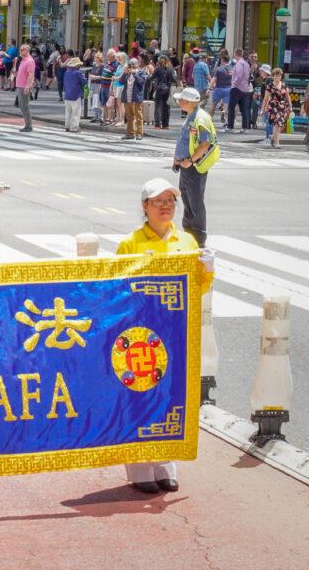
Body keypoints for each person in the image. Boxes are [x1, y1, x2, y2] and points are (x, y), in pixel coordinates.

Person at [116, 178, 214, 495]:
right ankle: (140, 466)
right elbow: (117, 288)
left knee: (172, 397)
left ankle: (166, 463)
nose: (165, 206)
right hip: (140, 333)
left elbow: (200, 287)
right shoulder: (130, 243)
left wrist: (208, 269)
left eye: (170, 201)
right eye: (158, 201)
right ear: (145, 207)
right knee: (141, 396)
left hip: (175, 332)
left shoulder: (186, 242)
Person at [172, 87, 219, 247]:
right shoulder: (192, 116)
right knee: (187, 199)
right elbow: (186, 140)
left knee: (195, 201)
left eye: (181, 100)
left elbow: (205, 143)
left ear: (189, 102)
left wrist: (191, 160)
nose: (179, 102)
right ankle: (189, 233)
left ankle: (198, 238)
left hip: (194, 167)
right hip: (186, 165)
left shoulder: (200, 118)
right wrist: (177, 158)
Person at [261, 66, 292, 149]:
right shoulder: (270, 86)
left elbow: (288, 97)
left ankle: (272, 137)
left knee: (282, 124)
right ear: (272, 76)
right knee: (277, 123)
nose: (277, 77)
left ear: (281, 76)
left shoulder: (284, 86)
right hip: (273, 106)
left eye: (279, 75)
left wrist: (290, 106)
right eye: (275, 75)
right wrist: (263, 109)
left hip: (282, 106)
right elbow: (266, 98)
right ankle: (277, 142)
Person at [121, 58, 147, 141]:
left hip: (136, 98)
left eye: (132, 65)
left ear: (137, 65)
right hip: (127, 98)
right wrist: (124, 73)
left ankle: (139, 133)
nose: (131, 67)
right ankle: (130, 133)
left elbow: (141, 82)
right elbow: (121, 82)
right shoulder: (127, 73)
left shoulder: (141, 72)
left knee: (138, 116)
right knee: (129, 117)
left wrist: (135, 74)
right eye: (130, 65)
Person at [227, 48, 252, 132]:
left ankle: (230, 127)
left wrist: (234, 84)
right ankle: (245, 127)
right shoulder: (246, 64)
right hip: (245, 89)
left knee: (231, 108)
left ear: (235, 54)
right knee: (244, 109)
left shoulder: (239, 64)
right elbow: (247, 75)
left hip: (237, 88)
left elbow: (239, 76)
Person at [14, 43, 36, 133]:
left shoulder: (29, 61)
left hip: (24, 86)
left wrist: (27, 86)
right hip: (20, 85)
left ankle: (29, 125)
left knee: (25, 106)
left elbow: (31, 74)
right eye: (20, 49)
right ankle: (27, 124)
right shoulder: (22, 60)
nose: (21, 51)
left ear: (27, 50)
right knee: (22, 106)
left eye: (23, 49)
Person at [151, 56, 177, 130]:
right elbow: (173, 79)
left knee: (158, 106)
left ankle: (157, 125)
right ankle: (166, 125)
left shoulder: (158, 68)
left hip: (159, 89)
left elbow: (152, 77)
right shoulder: (170, 69)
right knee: (166, 107)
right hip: (167, 89)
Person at [61, 57, 85, 132]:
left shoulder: (66, 73)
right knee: (76, 112)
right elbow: (84, 82)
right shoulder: (78, 73)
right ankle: (74, 127)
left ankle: (67, 126)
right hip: (76, 95)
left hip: (67, 95)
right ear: (77, 66)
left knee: (68, 112)